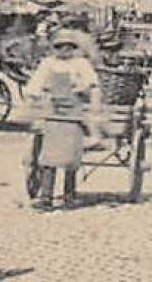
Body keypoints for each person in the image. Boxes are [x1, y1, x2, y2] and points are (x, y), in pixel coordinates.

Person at [24, 28, 103, 210]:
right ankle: (46, 196)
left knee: (71, 158)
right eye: (59, 47)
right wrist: (33, 96)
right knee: (48, 159)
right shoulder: (48, 64)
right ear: (54, 48)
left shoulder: (81, 64)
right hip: (53, 114)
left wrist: (88, 98)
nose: (63, 51)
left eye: (67, 47)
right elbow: (35, 84)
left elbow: (93, 84)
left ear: (73, 48)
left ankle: (69, 195)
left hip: (74, 115)